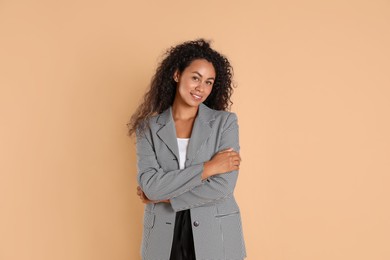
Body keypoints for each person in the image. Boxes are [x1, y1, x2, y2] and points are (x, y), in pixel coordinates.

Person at [127, 39, 246, 260]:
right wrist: (208, 168)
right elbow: (151, 187)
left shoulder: (225, 123)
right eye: (195, 78)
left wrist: (165, 198)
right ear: (176, 75)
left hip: (214, 233)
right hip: (163, 235)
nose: (201, 88)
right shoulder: (148, 128)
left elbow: (222, 187)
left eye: (209, 82)